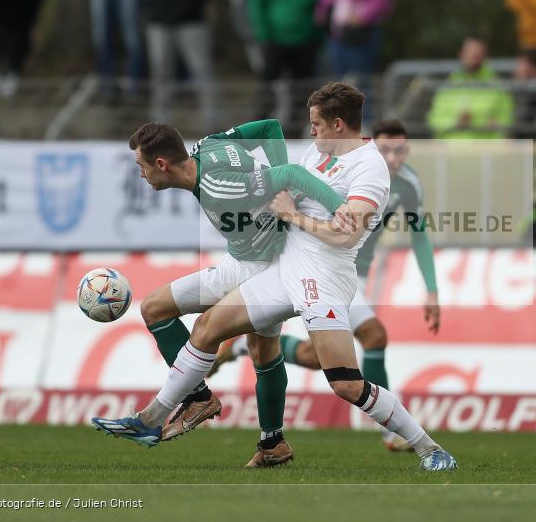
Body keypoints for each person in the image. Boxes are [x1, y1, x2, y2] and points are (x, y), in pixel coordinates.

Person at [93, 82, 459, 472]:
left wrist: (293, 215)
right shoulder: (319, 154)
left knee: (346, 384)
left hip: (325, 278)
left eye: (316, 123)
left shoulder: (370, 168)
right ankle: (151, 420)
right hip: (284, 269)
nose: (311, 129)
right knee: (207, 327)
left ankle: (429, 448)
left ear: (338, 124)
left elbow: (349, 231)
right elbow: (282, 173)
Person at [97, 118, 351, 465]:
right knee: (261, 350)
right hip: (250, 257)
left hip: (260, 268)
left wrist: (339, 208)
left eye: (140, 165)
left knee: (166, 312)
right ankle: (271, 444)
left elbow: (291, 173)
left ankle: (176, 408)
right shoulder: (209, 145)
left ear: (161, 164)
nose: (140, 173)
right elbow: (270, 127)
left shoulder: (221, 186)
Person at [216, 119, 441, 452]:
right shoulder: (343, 164)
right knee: (373, 337)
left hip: (354, 273)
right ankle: (393, 433)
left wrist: (432, 290)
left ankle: (236, 347)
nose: (393, 158)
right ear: (372, 146)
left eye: (400, 150)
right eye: (386, 150)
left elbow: (419, 234)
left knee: (319, 358)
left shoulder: (408, 183)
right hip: (323, 267)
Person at [249, 0, 327, 135]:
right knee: (267, 87)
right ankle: (258, 129)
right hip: (275, 37)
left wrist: (318, 30)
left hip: (306, 38)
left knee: (302, 89)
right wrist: (263, 31)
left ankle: (295, 130)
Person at [141, 0, 217, 127]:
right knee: (161, 72)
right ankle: (158, 124)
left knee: (201, 69)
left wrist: (188, 2)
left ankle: (212, 122)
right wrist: (153, 5)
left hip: (191, 20)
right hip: (159, 20)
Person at [426, 36, 514, 139]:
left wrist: (498, 127)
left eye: (478, 54)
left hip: (487, 148)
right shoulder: (448, 86)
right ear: (461, 54)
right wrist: (456, 123)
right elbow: (434, 121)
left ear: (485, 56)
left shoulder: (498, 86)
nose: (474, 57)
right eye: (470, 53)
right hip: (453, 148)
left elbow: (507, 123)